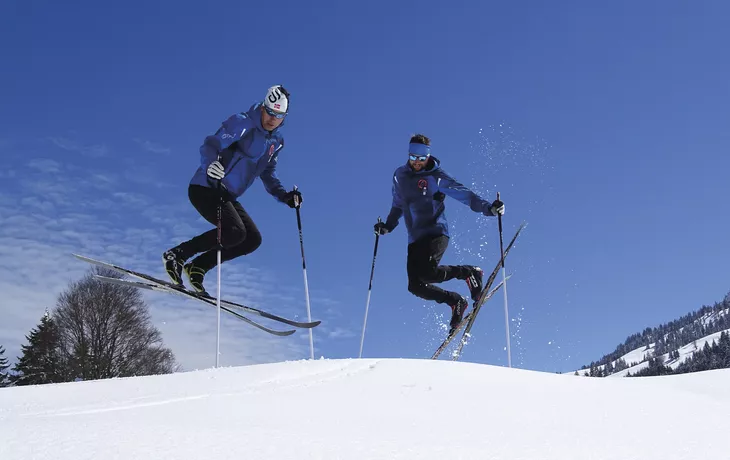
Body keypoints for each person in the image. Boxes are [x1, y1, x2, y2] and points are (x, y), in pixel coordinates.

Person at [162, 85, 302, 294]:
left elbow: (268, 174)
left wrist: (285, 196)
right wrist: (210, 164)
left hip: (227, 195)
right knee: (235, 231)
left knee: (252, 239)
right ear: (263, 107)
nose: (273, 119)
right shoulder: (243, 122)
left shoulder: (276, 141)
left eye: (279, 115)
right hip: (207, 186)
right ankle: (178, 255)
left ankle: (198, 267)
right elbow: (211, 144)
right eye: (270, 112)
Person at [373, 133, 505, 332]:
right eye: (413, 157)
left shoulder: (436, 177)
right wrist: (388, 226)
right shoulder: (400, 175)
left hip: (436, 232)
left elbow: (466, 195)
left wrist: (489, 208)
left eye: (421, 158)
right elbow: (398, 204)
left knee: (428, 273)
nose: (417, 162)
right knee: (415, 286)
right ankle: (455, 301)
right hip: (414, 238)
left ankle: (469, 273)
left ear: (427, 157)